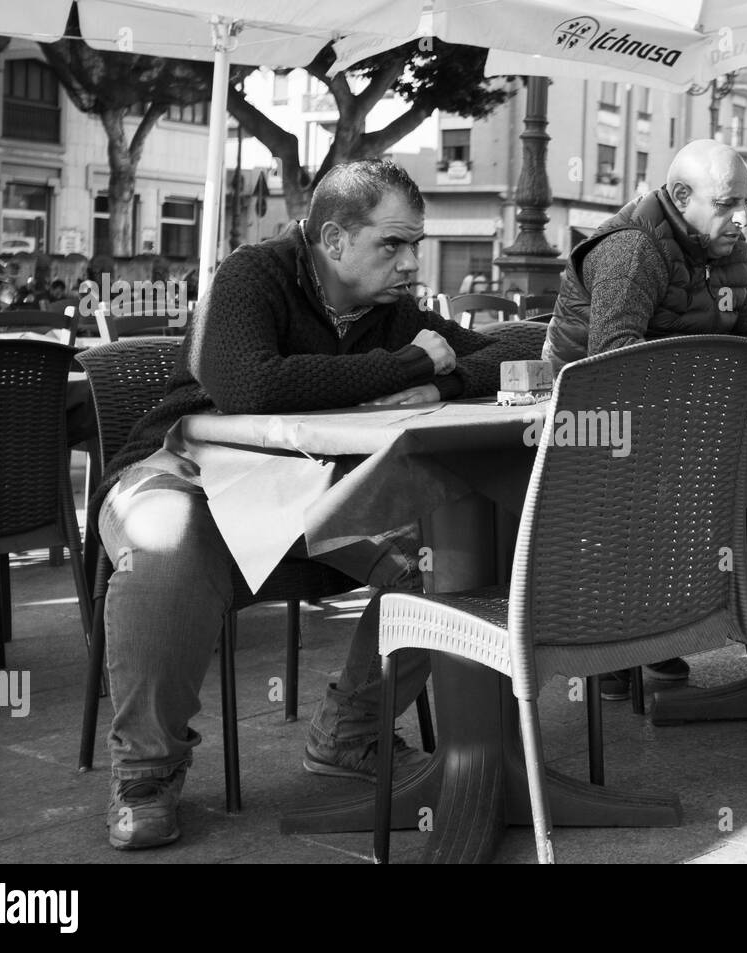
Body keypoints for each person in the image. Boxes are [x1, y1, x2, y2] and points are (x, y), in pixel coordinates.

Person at [93, 160, 529, 850]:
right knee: (165, 551)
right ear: (332, 238)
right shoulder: (250, 277)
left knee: (447, 554)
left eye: (415, 243)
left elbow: (522, 348)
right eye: (394, 243)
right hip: (181, 471)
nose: (412, 261)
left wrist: (442, 384)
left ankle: (351, 733)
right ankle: (145, 771)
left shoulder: (394, 310)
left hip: (308, 493)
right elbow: (249, 385)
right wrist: (412, 364)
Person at [544, 138, 747, 700]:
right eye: (728, 204)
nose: (740, 219)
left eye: (745, 205)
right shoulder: (631, 249)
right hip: (596, 436)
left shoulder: (726, 244)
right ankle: (624, 631)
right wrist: (733, 363)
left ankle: (646, 623)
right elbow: (614, 360)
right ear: (681, 196)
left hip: (682, 424)